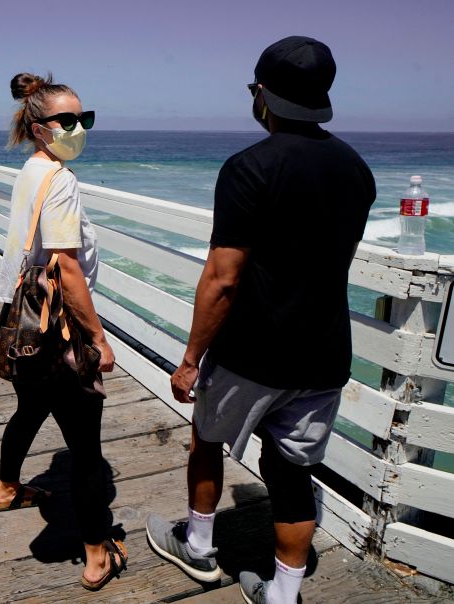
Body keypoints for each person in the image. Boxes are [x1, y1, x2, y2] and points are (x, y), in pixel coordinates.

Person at [144, 36, 375, 604]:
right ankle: (282, 593)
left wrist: (191, 358)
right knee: (294, 471)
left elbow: (223, 277)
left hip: (253, 352)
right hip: (323, 354)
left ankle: (198, 547)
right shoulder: (356, 169)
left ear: (263, 96)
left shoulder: (249, 167)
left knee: (206, 436)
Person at [0, 72, 125, 592]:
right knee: (87, 452)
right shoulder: (62, 181)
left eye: (84, 119)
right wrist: (98, 338)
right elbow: (67, 269)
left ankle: (6, 489)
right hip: (57, 331)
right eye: (67, 120)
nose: (78, 128)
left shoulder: (32, 169)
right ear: (39, 127)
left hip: (19, 321)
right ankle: (96, 553)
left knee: (30, 408)